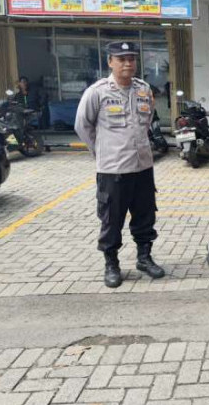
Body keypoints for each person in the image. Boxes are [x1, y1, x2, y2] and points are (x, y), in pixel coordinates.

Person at [74, 41, 165, 288]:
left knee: (145, 216)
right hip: (112, 170)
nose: (127, 63)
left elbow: (147, 121)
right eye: (121, 59)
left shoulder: (144, 89)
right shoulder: (97, 92)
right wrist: (102, 152)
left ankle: (144, 258)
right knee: (112, 220)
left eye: (131, 59)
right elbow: (82, 126)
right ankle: (111, 264)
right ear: (110, 62)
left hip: (142, 166)